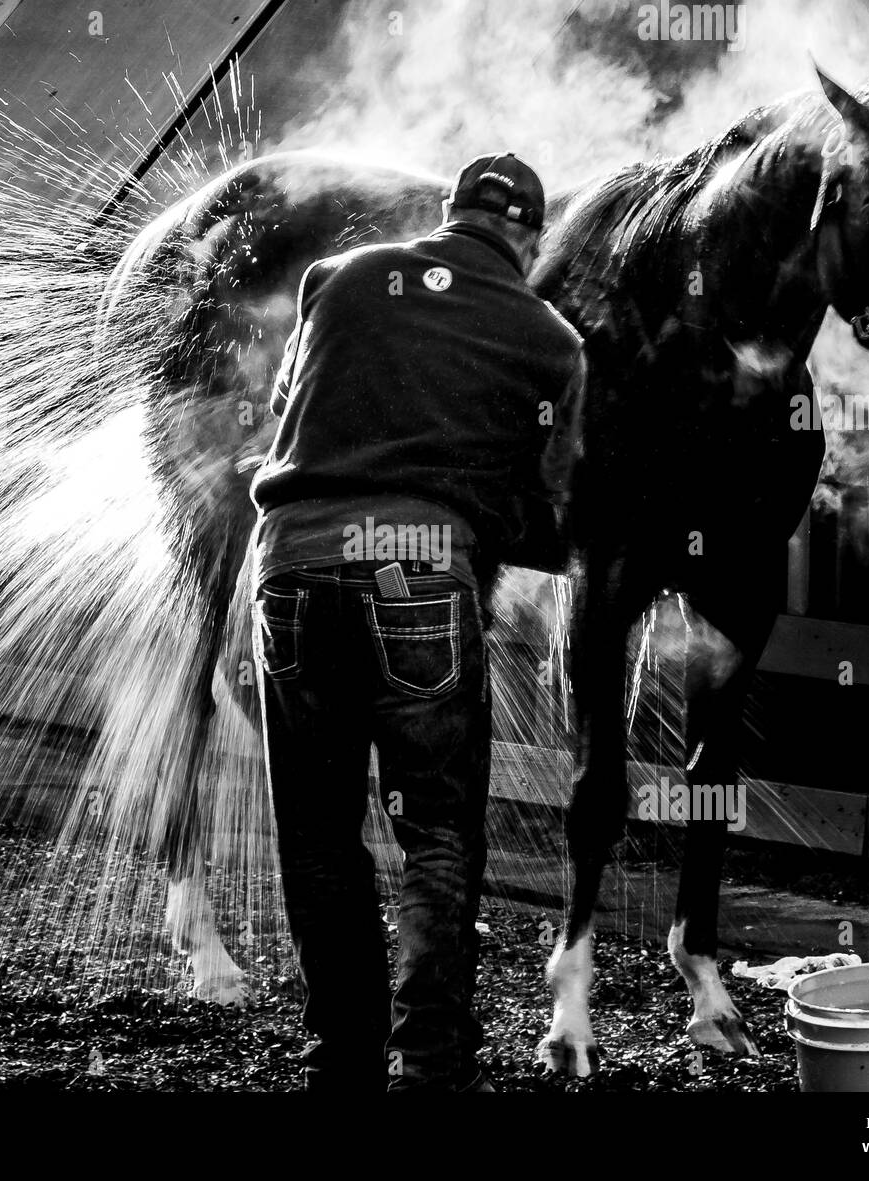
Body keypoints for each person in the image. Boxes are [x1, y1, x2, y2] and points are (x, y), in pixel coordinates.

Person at [249, 152, 587, 1092]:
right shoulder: (550, 339)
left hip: (290, 566)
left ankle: (339, 1065)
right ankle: (431, 1067)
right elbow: (554, 505)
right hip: (421, 583)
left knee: (317, 833)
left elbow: (286, 419)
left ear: (449, 214)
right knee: (436, 834)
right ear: (528, 237)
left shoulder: (345, 277)